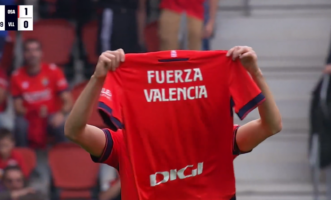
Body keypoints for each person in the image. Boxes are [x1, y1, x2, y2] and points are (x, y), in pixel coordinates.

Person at [65, 46, 282, 199]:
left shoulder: (217, 138)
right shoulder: (125, 143)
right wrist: (97, 79)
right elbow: (74, 131)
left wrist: (255, 72)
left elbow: (271, 126)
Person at [10, 39, 73, 148]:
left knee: (61, 125)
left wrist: (61, 114)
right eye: (28, 51)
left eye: (35, 50)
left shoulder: (54, 71)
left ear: (41, 53)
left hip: (51, 115)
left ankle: (64, 160)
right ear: (24, 54)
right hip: (29, 116)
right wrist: (34, 111)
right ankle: (24, 159)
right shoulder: (17, 76)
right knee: (20, 125)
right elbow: (18, 108)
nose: (32, 54)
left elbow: (68, 101)